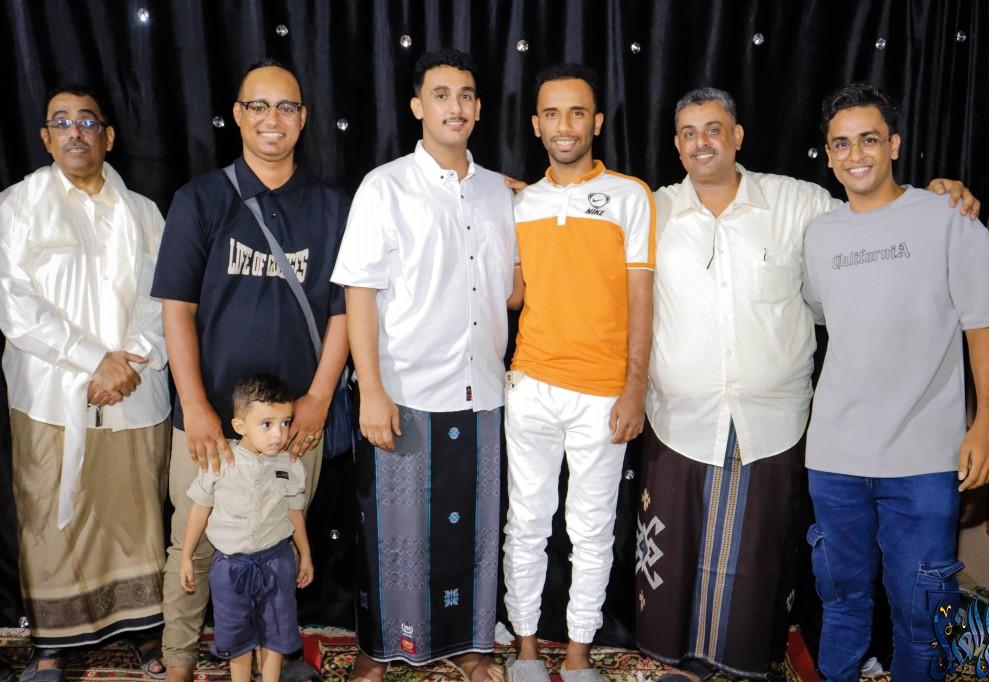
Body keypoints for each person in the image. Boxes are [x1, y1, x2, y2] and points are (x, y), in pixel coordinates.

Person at [634, 86, 981, 680]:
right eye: (689, 133)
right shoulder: (651, 209)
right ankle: (682, 662)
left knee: (757, 555)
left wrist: (940, 193)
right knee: (677, 547)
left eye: (714, 129)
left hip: (774, 419)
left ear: (737, 136)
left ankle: (742, 662)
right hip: (679, 418)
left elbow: (873, 209)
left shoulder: (798, 203)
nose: (702, 142)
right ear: (676, 144)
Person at [802, 82, 989, 681]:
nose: (856, 155)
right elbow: (825, 318)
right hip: (835, 458)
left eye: (869, 139)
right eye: (841, 143)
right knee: (841, 603)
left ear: (894, 144)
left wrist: (987, 423)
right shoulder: (819, 234)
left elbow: (983, 325)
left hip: (924, 460)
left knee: (923, 617)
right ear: (828, 153)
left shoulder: (948, 217)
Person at [151, 60, 348, 682]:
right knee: (195, 544)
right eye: (258, 106)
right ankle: (180, 661)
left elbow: (345, 311)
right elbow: (177, 310)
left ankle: (273, 658)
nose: (272, 119)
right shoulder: (200, 199)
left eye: (286, 107)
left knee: (279, 543)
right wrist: (196, 407)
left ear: (303, 118)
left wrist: (319, 397)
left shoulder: (331, 206)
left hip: (294, 424)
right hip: (211, 421)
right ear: (238, 115)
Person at [332, 48, 515, 682]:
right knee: (394, 537)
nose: (454, 107)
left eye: (465, 95)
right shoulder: (384, 186)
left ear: (479, 109)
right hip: (404, 391)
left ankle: (468, 644)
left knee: (473, 533)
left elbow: (511, 289)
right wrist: (371, 391)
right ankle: (381, 648)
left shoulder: (498, 193)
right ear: (417, 107)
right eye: (441, 95)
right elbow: (358, 291)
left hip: (481, 390)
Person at [0, 84, 169, 680]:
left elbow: (165, 298)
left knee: (136, 516)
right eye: (62, 122)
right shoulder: (16, 206)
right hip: (51, 396)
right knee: (51, 518)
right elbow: (15, 304)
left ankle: (145, 633)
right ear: (46, 138)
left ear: (108, 136)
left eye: (87, 121)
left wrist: (130, 363)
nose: (75, 131)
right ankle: (51, 645)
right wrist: (95, 360)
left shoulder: (143, 212)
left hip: (134, 391)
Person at [502, 63, 654, 682]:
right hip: (530, 384)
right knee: (526, 523)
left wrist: (635, 387)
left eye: (576, 112)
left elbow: (642, 298)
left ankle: (578, 653)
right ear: (536, 125)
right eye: (551, 113)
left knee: (591, 530)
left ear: (596, 122)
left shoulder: (630, 195)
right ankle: (526, 650)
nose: (564, 125)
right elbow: (513, 295)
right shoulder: (522, 203)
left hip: (603, 394)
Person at [179, 374, 313, 682]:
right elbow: (200, 509)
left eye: (285, 422)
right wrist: (186, 556)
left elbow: (294, 513)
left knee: (276, 632)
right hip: (231, 567)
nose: (279, 434)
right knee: (236, 635)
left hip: (276, 562)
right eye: (266, 424)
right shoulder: (220, 462)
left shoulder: (291, 465)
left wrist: (305, 555)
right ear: (239, 426)